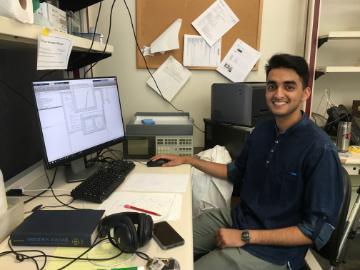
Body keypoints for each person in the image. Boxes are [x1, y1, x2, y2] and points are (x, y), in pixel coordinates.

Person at [151, 54, 344, 270]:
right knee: (161, 245)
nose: (278, 94)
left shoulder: (319, 149)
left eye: (289, 87)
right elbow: (234, 171)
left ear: (305, 93)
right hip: (240, 218)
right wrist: (188, 160)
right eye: (272, 86)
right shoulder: (262, 131)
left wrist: (244, 236)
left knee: (189, 267)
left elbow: (313, 230)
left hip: (274, 252)